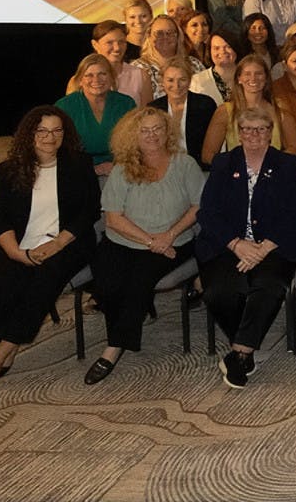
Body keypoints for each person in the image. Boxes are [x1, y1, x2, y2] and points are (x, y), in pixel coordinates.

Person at [84, 107, 205, 384]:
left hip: (176, 239)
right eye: (144, 130)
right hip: (125, 240)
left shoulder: (184, 164)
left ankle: (113, 349)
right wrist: (152, 241)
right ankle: (133, 317)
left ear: (168, 132)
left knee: (139, 279)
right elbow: (113, 219)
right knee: (107, 281)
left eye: (157, 129)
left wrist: (168, 236)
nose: (152, 135)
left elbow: (199, 206)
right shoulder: (122, 168)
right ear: (132, 135)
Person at [195, 107, 296, 388]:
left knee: (268, 286)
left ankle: (241, 352)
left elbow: (295, 213)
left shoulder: (287, 164)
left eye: (261, 129)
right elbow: (207, 213)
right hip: (227, 245)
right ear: (238, 133)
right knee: (218, 291)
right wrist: (237, 244)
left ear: (271, 133)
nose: (254, 134)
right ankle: (245, 346)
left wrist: (262, 248)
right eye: (247, 129)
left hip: (273, 245)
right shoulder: (223, 163)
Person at [0, 106, 99, 380]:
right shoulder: (8, 170)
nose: (49, 137)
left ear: (65, 133)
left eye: (56, 130)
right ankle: (5, 338)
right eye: (42, 130)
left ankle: (4, 348)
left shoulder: (79, 164)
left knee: (44, 278)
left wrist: (58, 244)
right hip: (19, 242)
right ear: (29, 134)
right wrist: (16, 252)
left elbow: (90, 212)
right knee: (1, 275)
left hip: (69, 243)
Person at [201, 55, 296, 164]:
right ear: (239, 78)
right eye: (247, 74)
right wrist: (233, 165)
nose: (253, 78)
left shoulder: (280, 108)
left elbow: (295, 147)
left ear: (266, 78)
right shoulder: (225, 111)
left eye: (258, 73)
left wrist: (274, 163)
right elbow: (207, 155)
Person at [57, 54, 137, 176]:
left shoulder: (126, 104)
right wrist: (90, 169)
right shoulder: (65, 106)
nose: (96, 80)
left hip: (120, 171)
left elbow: (135, 144)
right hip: (78, 173)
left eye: (102, 74)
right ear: (80, 80)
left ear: (111, 77)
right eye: (89, 75)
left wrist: (116, 166)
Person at [149, 57, 217, 168]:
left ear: (190, 80)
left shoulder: (205, 105)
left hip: (199, 168)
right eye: (170, 80)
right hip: (163, 169)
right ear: (162, 82)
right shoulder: (154, 108)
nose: (176, 86)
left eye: (182, 80)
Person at [69, 21, 146, 107]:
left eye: (121, 42)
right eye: (109, 42)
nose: (117, 48)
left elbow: (146, 114)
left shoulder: (140, 75)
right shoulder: (79, 80)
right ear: (95, 44)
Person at [134, 15, 198, 100]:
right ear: (149, 37)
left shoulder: (194, 64)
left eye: (170, 33)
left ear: (178, 36)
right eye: (159, 33)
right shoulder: (137, 69)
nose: (165, 37)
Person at [189, 30, 242, 106]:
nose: (222, 51)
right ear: (209, 52)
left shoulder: (249, 77)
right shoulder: (196, 82)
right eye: (216, 48)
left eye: (228, 47)